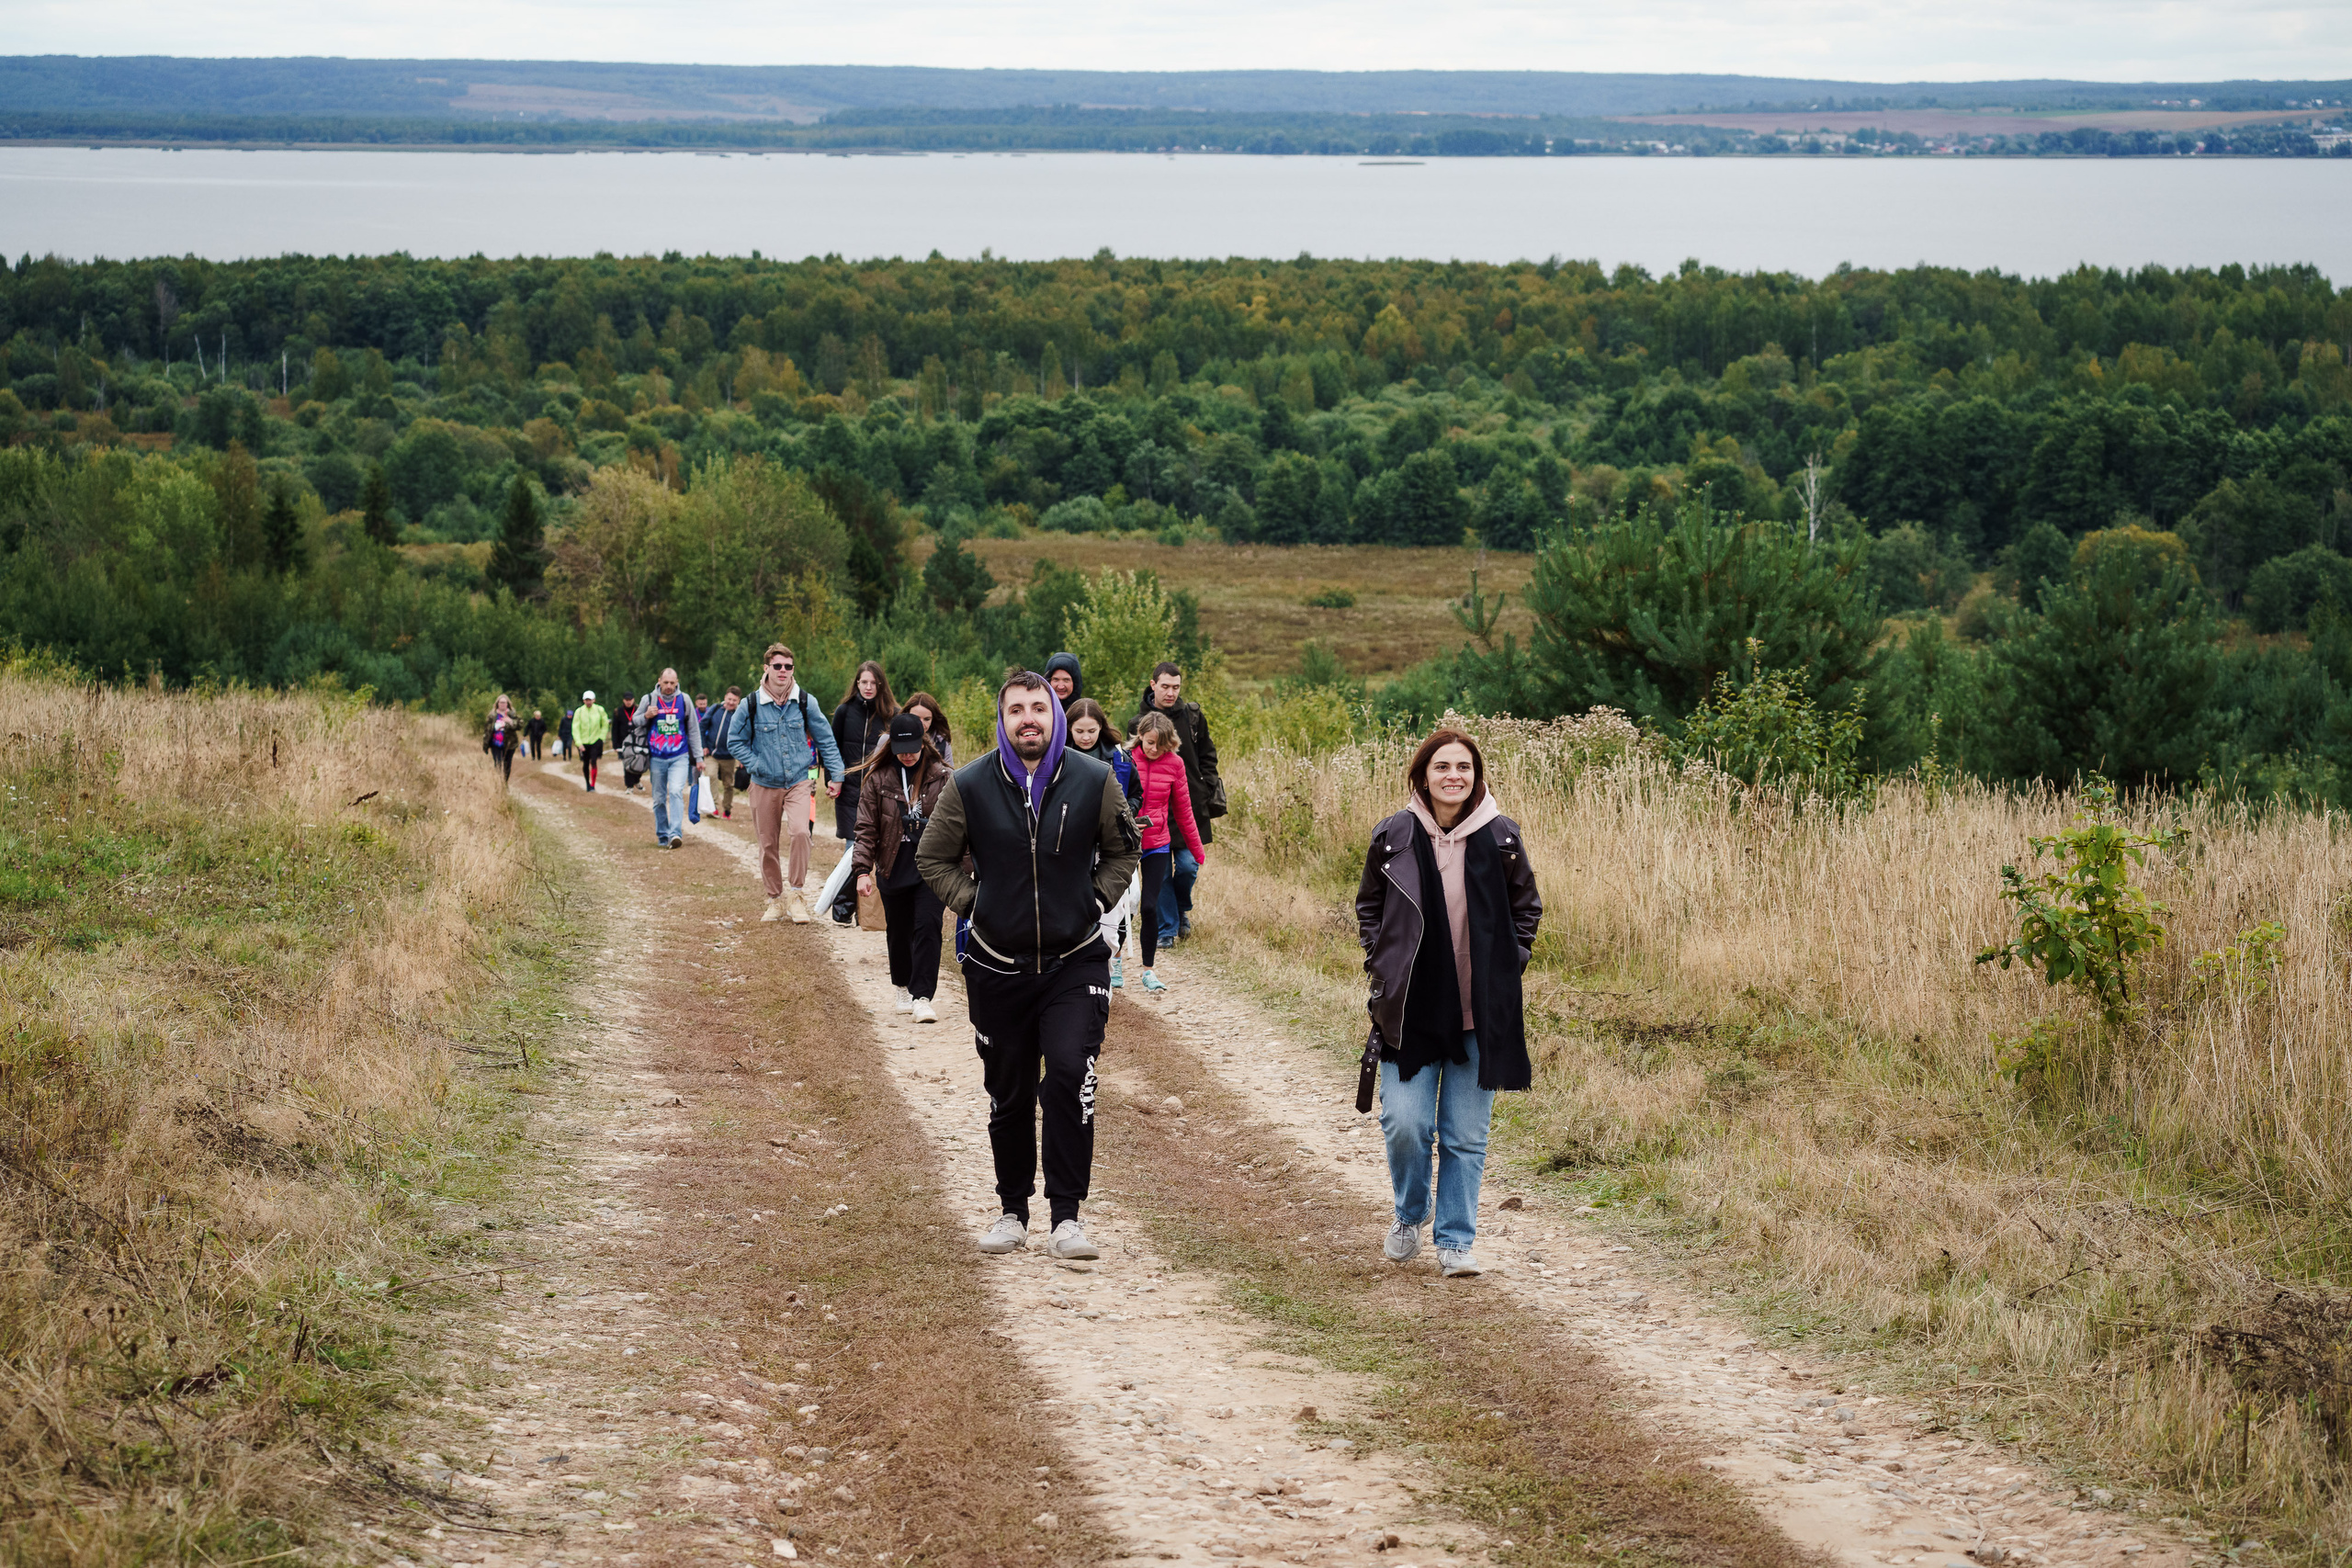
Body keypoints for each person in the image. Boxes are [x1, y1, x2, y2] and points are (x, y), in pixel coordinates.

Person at [917, 672, 1138, 1260]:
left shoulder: (1094, 780)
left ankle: (1067, 1218)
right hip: (996, 965)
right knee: (1009, 1092)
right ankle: (1012, 1210)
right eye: (1016, 710)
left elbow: (1124, 851)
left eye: (1038, 708)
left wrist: (1093, 900)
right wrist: (977, 904)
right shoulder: (969, 784)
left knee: (1068, 1077)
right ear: (1003, 719)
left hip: (1075, 963)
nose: (1028, 720)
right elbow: (932, 858)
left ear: (1056, 715)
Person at [1354, 728, 1542, 1280]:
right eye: (1442, 767)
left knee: (1465, 1137)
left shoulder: (1502, 836)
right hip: (1411, 1010)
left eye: (1463, 767)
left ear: (1476, 775)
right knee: (1405, 1123)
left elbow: (1526, 909)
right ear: (1423, 774)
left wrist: (1510, 966)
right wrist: (1381, 961)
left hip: (1479, 1014)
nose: (1453, 776)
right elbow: (1369, 905)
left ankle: (1456, 1241)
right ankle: (1410, 1214)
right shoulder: (1395, 834)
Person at [728, 643, 845, 923]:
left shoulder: (805, 701)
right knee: (767, 843)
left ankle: (796, 895)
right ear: (767, 668)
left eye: (788, 666)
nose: (783, 671)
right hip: (763, 784)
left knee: (801, 833)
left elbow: (825, 739)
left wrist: (837, 775)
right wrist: (756, 764)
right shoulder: (751, 704)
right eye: (777, 666)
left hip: (798, 781)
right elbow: (734, 741)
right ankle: (775, 899)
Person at [854, 713, 950, 1024]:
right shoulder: (878, 779)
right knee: (899, 930)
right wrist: (861, 872)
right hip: (894, 863)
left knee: (928, 926)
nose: (907, 754)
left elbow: (959, 825)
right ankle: (902, 987)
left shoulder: (942, 776)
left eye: (913, 747)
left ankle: (923, 997)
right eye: (901, 747)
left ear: (923, 744)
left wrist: (964, 868)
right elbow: (866, 828)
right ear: (891, 745)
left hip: (931, 866)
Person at [1128, 662, 1221, 950]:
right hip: (1153, 812)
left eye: (1176, 687)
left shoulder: (1191, 716)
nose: (1171, 692)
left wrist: (1205, 788)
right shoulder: (1138, 722)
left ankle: (1180, 909)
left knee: (1188, 866)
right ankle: (1168, 928)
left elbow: (1208, 754)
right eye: (1165, 686)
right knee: (1161, 872)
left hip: (1188, 806)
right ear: (1153, 684)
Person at [1127, 711, 1206, 995]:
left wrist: (1197, 850)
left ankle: (1148, 970)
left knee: (1149, 906)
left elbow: (1184, 811)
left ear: (1168, 743)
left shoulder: (1175, 764)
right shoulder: (1126, 760)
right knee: (1123, 906)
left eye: (1159, 745)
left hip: (1157, 842)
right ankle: (1112, 964)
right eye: (1149, 742)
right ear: (1141, 737)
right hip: (1124, 843)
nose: (1153, 749)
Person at [1066, 698, 1139, 988]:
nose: (1085, 737)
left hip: (1110, 850)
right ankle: (1081, 978)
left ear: (1101, 729)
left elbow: (1136, 794)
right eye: (1079, 731)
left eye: (1091, 731)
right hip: (1070, 851)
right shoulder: (1055, 758)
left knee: (1117, 913)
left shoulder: (1120, 759)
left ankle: (1105, 970)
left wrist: (1123, 815)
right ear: (1069, 729)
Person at [831, 661, 898, 924]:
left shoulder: (893, 714)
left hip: (880, 794)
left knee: (878, 850)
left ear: (880, 684)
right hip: (848, 792)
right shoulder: (844, 712)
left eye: (873, 682)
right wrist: (832, 780)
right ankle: (844, 907)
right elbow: (832, 750)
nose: (868, 687)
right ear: (856, 684)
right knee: (853, 850)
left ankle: (865, 910)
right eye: (863, 682)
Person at [631, 669, 706, 848]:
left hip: (679, 755)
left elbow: (694, 730)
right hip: (656, 758)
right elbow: (635, 721)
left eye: (672, 683)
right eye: (666, 683)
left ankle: (675, 834)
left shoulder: (684, 700)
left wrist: (699, 757)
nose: (669, 687)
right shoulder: (649, 699)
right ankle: (663, 834)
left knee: (675, 792)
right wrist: (646, 715)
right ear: (659, 681)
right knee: (658, 798)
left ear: (677, 682)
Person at [706, 686, 743, 819]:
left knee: (728, 784)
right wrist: (704, 745)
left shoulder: (740, 715)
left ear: (738, 701)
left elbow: (746, 735)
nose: (731, 702)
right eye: (729, 699)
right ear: (725, 697)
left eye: (734, 700)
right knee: (710, 776)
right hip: (712, 754)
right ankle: (713, 807)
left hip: (729, 756)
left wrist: (742, 756)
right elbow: (702, 725)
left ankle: (727, 810)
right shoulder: (715, 709)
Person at [899, 690, 955, 768]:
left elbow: (950, 774)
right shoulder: (890, 738)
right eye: (916, 718)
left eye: (927, 719)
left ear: (933, 720)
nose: (921, 724)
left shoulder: (942, 742)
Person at [483, 694, 524, 787]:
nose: (502, 704)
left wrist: (510, 721)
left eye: (504, 702)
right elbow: (486, 729)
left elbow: (520, 725)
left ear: (508, 704)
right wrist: (485, 744)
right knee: (498, 763)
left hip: (510, 744)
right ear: (497, 704)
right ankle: (498, 783)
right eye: (500, 702)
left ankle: (504, 783)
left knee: (507, 764)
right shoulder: (492, 715)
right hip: (495, 743)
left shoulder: (512, 714)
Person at [572, 691, 609, 790]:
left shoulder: (599, 710)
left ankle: (593, 784)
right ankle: (587, 783)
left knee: (593, 761)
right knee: (585, 763)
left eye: (590, 700)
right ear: (584, 701)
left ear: (594, 700)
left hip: (595, 740)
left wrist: (601, 737)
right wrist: (578, 743)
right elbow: (575, 728)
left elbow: (605, 724)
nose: (588, 702)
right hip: (583, 742)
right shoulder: (579, 711)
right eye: (586, 700)